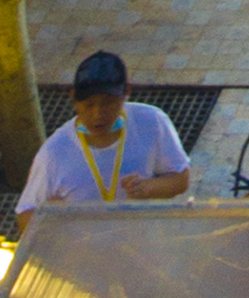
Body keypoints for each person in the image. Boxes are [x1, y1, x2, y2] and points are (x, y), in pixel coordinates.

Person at [18, 56, 191, 217]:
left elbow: (180, 179)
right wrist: (58, 220)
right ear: (73, 99)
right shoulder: (54, 152)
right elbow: (25, 215)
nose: (98, 114)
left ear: (126, 93)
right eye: (88, 105)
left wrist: (148, 188)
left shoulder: (151, 121)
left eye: (108, 103)